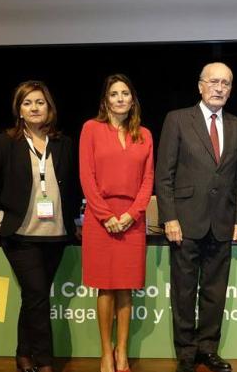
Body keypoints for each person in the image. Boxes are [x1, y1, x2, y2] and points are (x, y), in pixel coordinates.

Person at [0, 80, 76, 372]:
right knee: (37, 295)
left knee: (36, 296)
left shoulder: (63, 143)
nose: (34, 108)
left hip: (56, 234)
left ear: (49, 108)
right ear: (19, 110)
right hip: (20, 236)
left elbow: (70, 187)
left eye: (40, 102)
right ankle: (45, 363)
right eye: (27, 103)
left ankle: (23, 354)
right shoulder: (3, 142)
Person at [155, 62, 237, 372]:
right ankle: (185, 353)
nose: (219, 88)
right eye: (213, 82)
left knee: (214, 292)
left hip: (222, 223)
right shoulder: (178, 120)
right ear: (200, 86)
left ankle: (208, 349)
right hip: (185, 222)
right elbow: (164, 175)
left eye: (226, 83)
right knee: (183, 292)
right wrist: (169, 217)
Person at [79, 74, 154, 372]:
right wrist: (105, 215)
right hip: (101, 219)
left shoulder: (145, 135)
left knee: (126, 288)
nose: (120, 98)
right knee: (105, 289)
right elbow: (87, 176)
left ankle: (122, 351)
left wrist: (131, 215)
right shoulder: (91, 129)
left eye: (125, 93)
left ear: (132, 100)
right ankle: (105, 353)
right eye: (114, 94)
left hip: (132, 220)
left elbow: (148, 180)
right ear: (105, 100)